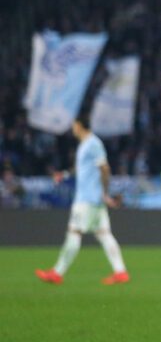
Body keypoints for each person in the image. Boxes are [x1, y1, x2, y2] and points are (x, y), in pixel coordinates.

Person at [35, 116, 129, 285]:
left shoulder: (93, 143)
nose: (72, 129)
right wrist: (63, 175)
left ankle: (57, 273)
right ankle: (121, 272)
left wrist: (106, 192)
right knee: (104, 234)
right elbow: (82, 169)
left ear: (79, 125)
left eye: (73, 126)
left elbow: (104, 168)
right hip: (94, 199)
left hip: (87, 199)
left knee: (74, 232)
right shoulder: (86, 145)